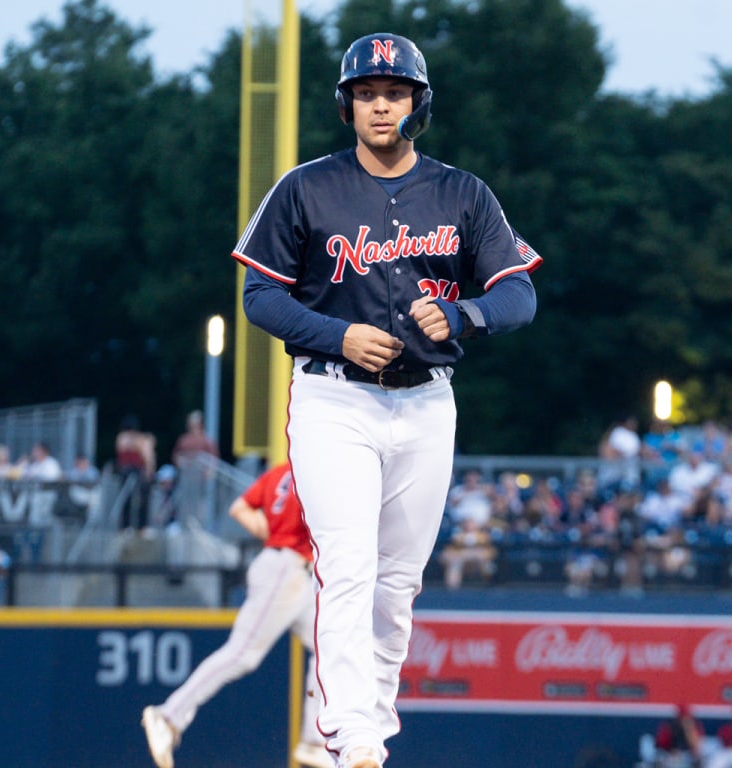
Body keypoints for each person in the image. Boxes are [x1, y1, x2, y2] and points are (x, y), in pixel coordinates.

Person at [232, 32, 540, 768]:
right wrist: (339, 337)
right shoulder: (305, 186)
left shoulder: (463, 192)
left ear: (417, 104)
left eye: (394, 92)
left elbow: (519, 293)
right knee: (348, 564)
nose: (380, 104)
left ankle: (370, 727)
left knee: (398, 582)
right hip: (334, 401)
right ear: (347, 104)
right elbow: (257, 296)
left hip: (429, 403)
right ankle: (354, 738)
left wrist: (467, 313)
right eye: (367, 93)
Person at [141, 462, 331, 768]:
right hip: (287, 571)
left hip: (290, 568)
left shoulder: (284, 469)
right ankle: (168, 715)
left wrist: (277, 533)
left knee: (331, 647)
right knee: (241, 655)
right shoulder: (322, 468)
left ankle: (313, 741)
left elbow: (239, 508)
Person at [115, 415, 157, 534]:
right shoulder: (124, 438)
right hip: (127, 472)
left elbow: (147, 457)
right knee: (126, 499)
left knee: (143, 500)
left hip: (139, 473)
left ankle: (142, 526)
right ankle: (125, 525)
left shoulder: (142, 439)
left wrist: (149, 471)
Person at [651, 704, 704, 768]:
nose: (685, 719)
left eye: (687, 717)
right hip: (669, 756)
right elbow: (660, 746)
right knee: (659, 760)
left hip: (687, 757)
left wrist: (689, 730)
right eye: (683, 717)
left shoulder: (695, 726)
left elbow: (696, 748)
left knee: (699, 761)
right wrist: (672, 752)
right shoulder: (669, 726)